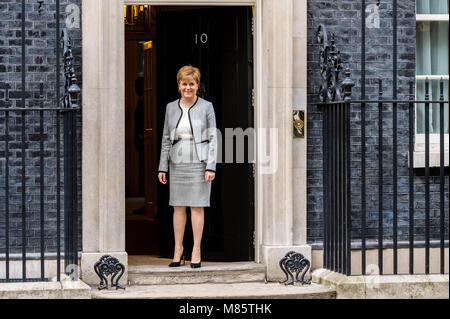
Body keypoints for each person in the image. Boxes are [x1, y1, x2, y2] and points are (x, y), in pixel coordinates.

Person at [157, 65, 217, 269]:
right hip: (177, 163)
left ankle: (196, 250)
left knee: (197, 206)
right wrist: (162, 167)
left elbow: (212, 138)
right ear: (179, 85)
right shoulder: (170, 107)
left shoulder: (206, 107)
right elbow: (166, 138)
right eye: (184, 84)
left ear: (197, 85)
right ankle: (178, 249)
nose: (188, 88)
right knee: (178, 207)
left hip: (199, 163)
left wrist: (211, 166)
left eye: (192, 84)